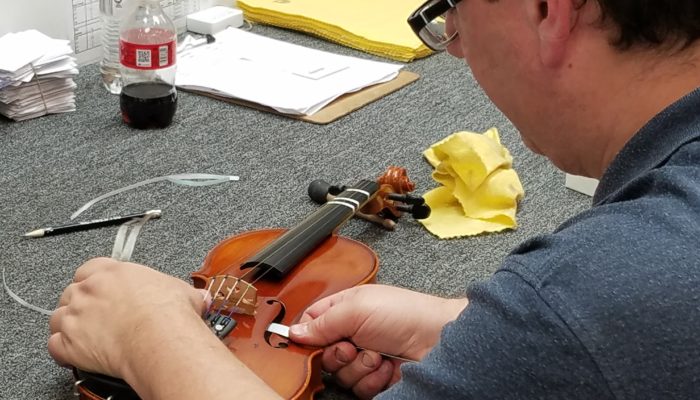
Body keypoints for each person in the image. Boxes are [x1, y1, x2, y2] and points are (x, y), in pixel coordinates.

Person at [49, 0, 700, 399]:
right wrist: (468, 332)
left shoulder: (591, 293)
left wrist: (148, 334)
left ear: (546, 11)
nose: (455, 39)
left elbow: (611, 313)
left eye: (449, 8)